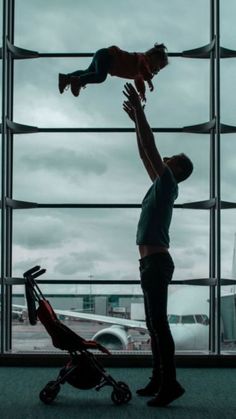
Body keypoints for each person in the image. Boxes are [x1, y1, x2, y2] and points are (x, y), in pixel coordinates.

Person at [123, 83, 193, 407]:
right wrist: (136, 118)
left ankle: (171, 383)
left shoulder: (167, 184)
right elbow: (143, 152)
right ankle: (158, 379)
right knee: (154, 326)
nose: (166, 159)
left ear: (177, 171)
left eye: (172, 159)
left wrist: (141, 112)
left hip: (156, 264)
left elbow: (150, 148)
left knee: (159, 327)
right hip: (150, 263)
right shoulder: (159, 185)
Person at [58, 43, 168, 102]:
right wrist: (149, 80)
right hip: (109, 57)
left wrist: (141, 91)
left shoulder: (140, 70)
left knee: (88, 72)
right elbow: (143, 68)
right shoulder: (143, 58)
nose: (155, 71)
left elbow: (138, 79)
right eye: (157, 68)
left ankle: (66, 78)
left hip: (103, 54)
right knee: (100, 77)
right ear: (153, 57)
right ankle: (78, 81)